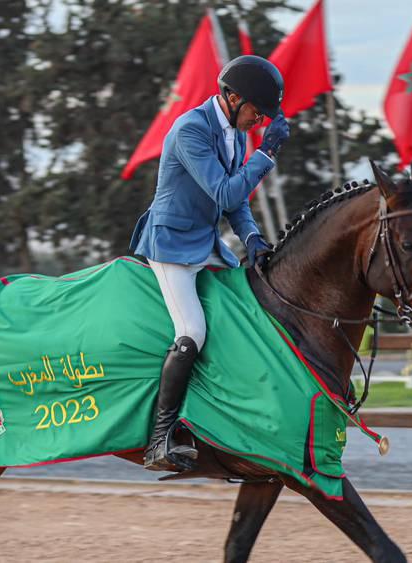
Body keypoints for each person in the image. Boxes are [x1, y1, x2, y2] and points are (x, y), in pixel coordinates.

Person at [130, 55, 291, 472]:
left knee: (245, 310)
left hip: (205, 242)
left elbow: (236, 202)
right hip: (170, 245)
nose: (260, 120)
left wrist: (252, 236)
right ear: (233, 98)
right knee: (193, 330)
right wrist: (267, 153)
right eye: (257, 110)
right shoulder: (190, 130)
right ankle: (159, 440)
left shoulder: (236, 134)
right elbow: (223, 192)